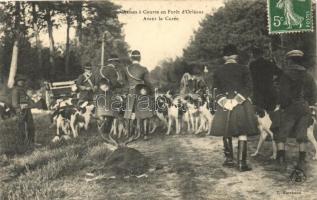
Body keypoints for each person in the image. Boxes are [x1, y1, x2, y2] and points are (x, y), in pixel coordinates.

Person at [211, 44, 258, 172]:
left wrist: (225, 101)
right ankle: (242, 164)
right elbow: (249, 88)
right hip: (241, 104)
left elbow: (215, 90)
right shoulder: (244, 68)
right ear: (236, 56)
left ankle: (229, 160)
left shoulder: (218, 70)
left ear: (224, 57)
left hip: (224, 104)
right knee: (242, 132)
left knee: (227, 130)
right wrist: (236, 100)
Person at [274, 50, 317, 178]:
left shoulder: (285, 74)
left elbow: (283, 94)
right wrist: (309, 104)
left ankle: (281, 161)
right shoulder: (308, 75)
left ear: (290, 60)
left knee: (281, 133)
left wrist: (282, 105)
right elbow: (314, 94)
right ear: (300, 60)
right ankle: (301, 162)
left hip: (290, 107)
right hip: (304, 107)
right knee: (302, 135)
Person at [124, 50, 154, 140]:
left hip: (131, 93)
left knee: (131, 114)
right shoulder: (144, 69)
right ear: (140, 58)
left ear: (131, 58)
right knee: (145, 114)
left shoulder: (126, 69)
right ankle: (145, 135)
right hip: (142, 92)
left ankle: (130, 135)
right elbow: (148, 83)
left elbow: (125, 82)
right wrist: (152, 93)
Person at [94, 54, 127, 134]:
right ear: (114, 62)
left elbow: (96, 82)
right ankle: (107, 133)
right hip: (108, 95)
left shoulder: (100, 70)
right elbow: (114, 83)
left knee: (102, 115)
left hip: (99, 95)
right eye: (117, 62)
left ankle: (102, 133)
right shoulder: (112, 70)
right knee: (111, 114)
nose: (117, 64)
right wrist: (121, 85)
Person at [249, 46, 282, 113]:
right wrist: (275, 81)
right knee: (271, 115)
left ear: (254, 55)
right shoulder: (270, 63)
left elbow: (249, 78)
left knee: (260, 116)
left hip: (258, 94)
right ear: (262, 54)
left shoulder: (252, 65)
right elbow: (281, 73)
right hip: (270, 92)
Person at [11, 74, 35, 145]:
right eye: (19, 81)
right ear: (16, 82)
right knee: (21, 128)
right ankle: (21, 143)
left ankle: (31, 142)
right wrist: (20, 107)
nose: (21, 82)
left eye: (22, 81)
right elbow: (14, 103)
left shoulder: (23, 89)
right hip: (21, 111)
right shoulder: (15, 90)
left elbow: (28, 99)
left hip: (27, 110)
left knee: (31, 126)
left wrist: (30, 103)